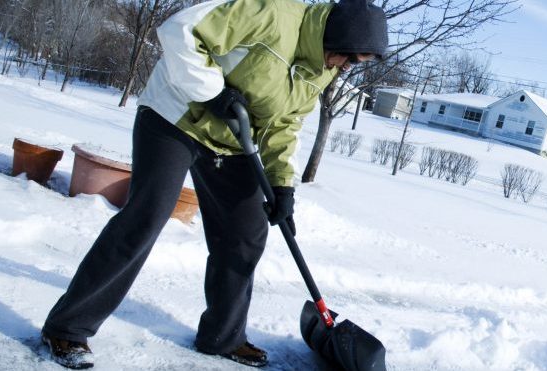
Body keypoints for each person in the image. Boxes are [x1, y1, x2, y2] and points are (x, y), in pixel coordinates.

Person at [40, 0, 388, 368]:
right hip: (176, 116)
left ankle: (222, 337)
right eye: (350, 59)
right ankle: (67, 328)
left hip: (231, 140)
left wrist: (283, 186)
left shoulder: (321, 68)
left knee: (246, 232)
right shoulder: (270, 12)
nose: (347, 68)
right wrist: (213, 91)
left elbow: (285, 125)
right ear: (338, 37)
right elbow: (179, 32)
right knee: (146, 216)